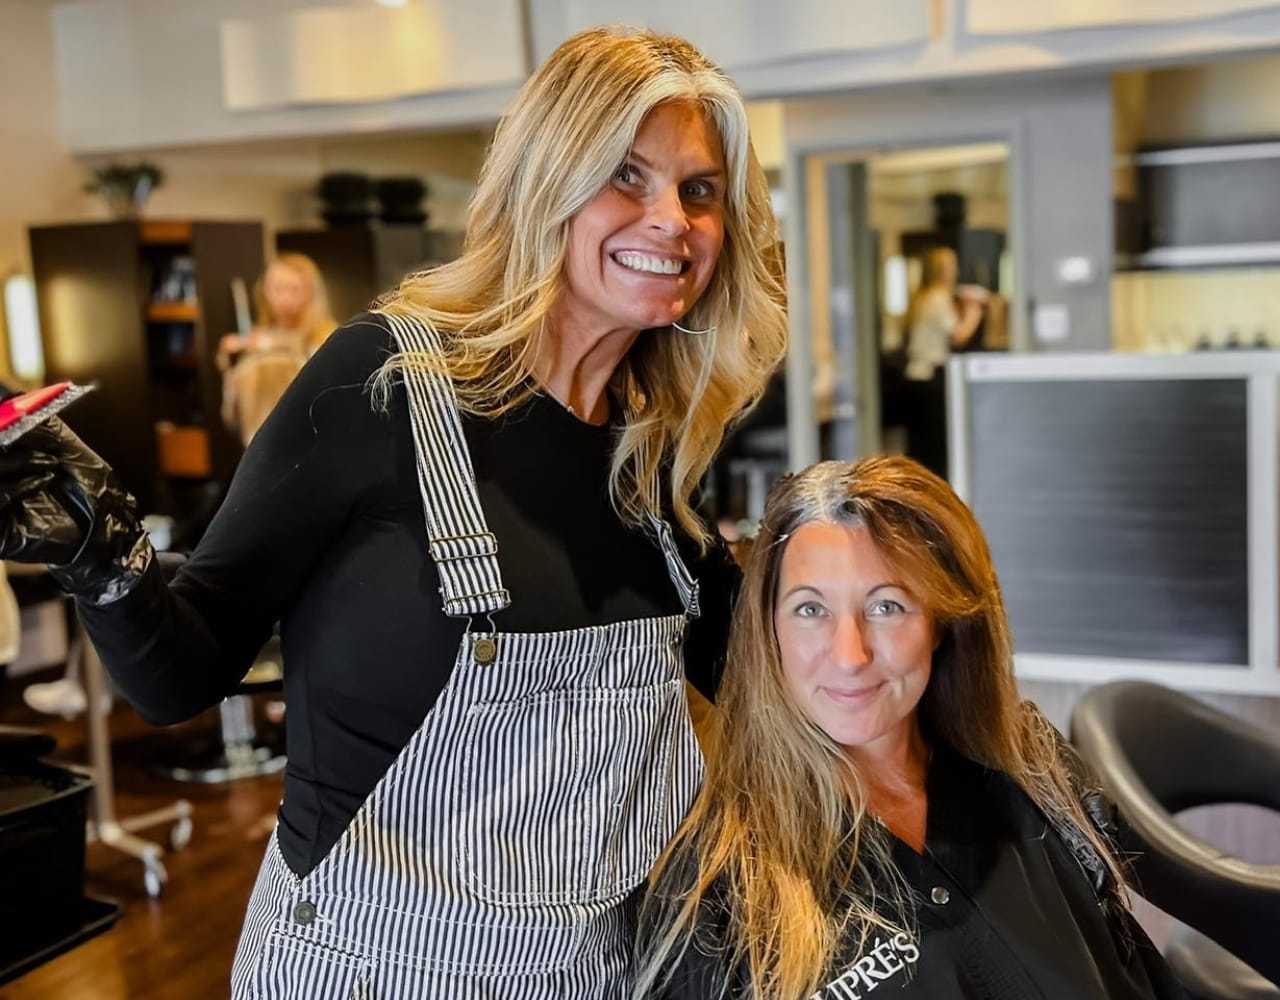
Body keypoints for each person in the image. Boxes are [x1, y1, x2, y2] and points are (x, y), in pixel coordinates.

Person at [0, 26, 784, 998]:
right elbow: (184, 668)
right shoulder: (383, 383)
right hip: (374, 971)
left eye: (699, 190)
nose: (671, 217)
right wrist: (102, 550)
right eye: (628, 175)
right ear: (548, 183)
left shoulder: (648, 445)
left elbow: (763, 681)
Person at [635, 457, 1186, 1000]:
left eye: (887, 607)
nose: (849, 655)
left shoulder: (1031, 773)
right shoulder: (715, 896)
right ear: (767, 630)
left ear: (944, 624)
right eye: (809, 610)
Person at [217, 252, 338, 445]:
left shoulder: (327, 338)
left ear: (311, 293)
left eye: (294, 289)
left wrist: (270, 345)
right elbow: (232, 413)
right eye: (277, 288)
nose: (284, 297)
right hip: (258, 443)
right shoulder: (254, 339)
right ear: (264, 290)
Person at [898, 247, 986, 478]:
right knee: (934, 443)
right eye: (951, 266)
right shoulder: (938, 298)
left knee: (921, 440)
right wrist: (973, 311)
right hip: (931, 377)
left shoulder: (921, 298)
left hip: (917, 376)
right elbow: (959, 336)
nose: (955, 271)